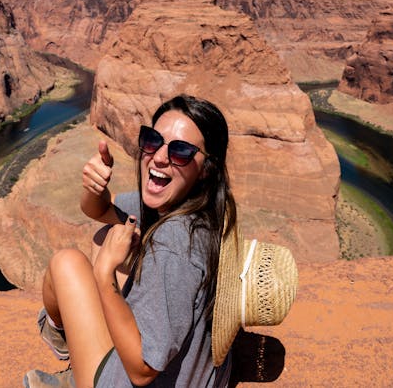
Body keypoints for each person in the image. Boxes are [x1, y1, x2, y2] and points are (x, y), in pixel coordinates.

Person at [24, 94, 237, 387]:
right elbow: (100, 209)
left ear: (206, 169)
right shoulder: (204, 211)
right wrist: (93, 188)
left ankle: (68, 352)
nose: (160, 157)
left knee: (66, 263)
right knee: (105, 236)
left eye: (181, 151)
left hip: (125, 380)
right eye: (152, 140)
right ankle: (70, 344)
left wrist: (103, 273)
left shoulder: (175, 242)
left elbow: (142, 370)